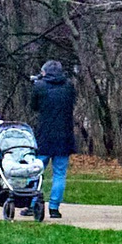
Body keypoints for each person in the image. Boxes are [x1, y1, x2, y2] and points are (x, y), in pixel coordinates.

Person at [30, 58, 77, 218]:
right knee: (59, 173)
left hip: (45, 135)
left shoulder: (39, 86)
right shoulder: (69, 86)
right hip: (64, 136)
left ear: (45, 72)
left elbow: (34, 106)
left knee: (36, 171)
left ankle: (33, 204)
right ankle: (54, 207)